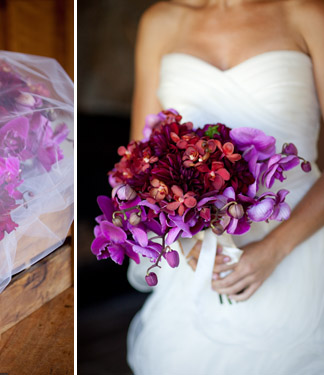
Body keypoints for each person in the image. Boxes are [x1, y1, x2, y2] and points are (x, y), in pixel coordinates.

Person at [126, 0, 324, 373]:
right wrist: (186, 242)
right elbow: (140, 162)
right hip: (199, 255)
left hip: (300, 240)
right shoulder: (161, 21)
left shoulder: (306, 14)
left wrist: (274, 250)